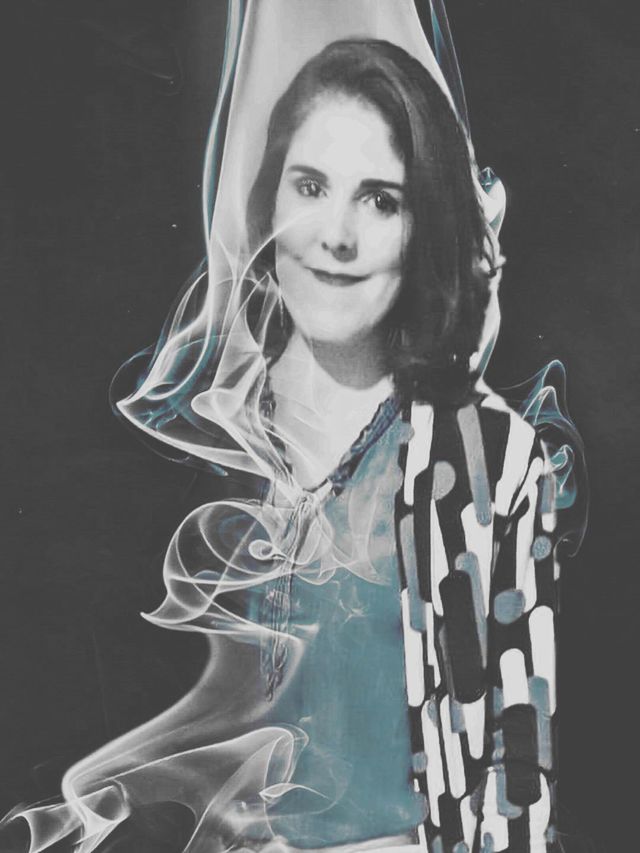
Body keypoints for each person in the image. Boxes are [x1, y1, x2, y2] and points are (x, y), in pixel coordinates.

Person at [3, 5, 570, 853]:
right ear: (269, 199)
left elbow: (515, 778)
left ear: (424, 226)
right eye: (310, 187)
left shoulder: (480, 455)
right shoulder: (201, 438)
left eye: (380, 199)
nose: (335, 236)